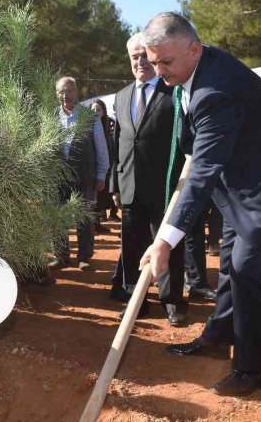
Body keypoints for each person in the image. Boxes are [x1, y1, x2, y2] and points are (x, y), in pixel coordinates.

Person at [139, 12, 261, 397]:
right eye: (153, 62)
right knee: (230, 264)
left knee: (245, 271)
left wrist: (165, 241)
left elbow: (202, 171)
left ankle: (252, 369)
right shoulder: (193, 71)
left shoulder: (216, 89)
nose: (159, 70)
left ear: (194, 49)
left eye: (166, 62)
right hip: (236, 188)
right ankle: (218, 335)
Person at [108, 33, 190, 327]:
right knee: (131, 246)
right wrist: (114, 184)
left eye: (145, 56)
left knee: (168, 244)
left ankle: (172, 302)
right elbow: (117, 144)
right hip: (129, 186)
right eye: (135, 57)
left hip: (165, 187)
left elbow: (183, 143)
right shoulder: (121, 96)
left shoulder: (174, 94)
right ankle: (136, 302)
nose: (140, 62)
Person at [50, 76, 109, 270]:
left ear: (76, 92)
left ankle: (84, 256)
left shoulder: (90, 117)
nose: (65, 95)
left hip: (84, 176)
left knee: (84, 217)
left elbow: (101, 148)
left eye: (69, 91)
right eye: (61, 92)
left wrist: (102, 175)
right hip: (58, 177)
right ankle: (61, 255)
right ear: (56, 94)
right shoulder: (50, 117)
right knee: (58, 217)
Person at [90, 99, 114, 234]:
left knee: (102, 197)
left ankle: (97, 222)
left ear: (104, 112)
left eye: (98, 110)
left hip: (106, 168)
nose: (95, 112)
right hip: (92, 170)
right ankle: (93, 224)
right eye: (93, 109)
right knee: (93, 198)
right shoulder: (87, 128)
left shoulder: (108, 128)